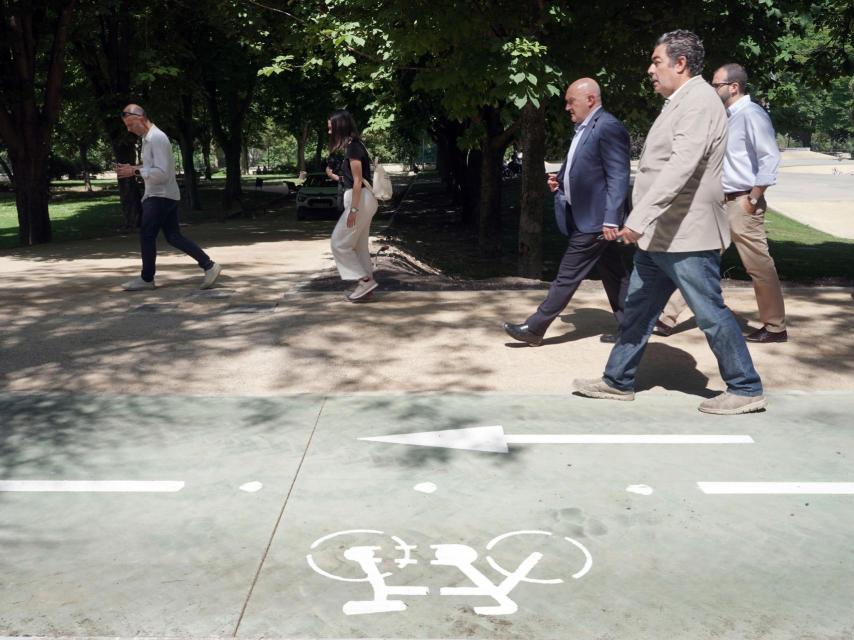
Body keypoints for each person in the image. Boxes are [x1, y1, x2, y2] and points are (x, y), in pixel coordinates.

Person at [574, 30, 767, 415]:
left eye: (656, 61)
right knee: (638, 310)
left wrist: (639, 217)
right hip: (663, 234)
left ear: (680, 64)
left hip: (687, 234)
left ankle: (745, 388)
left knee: (710, 313)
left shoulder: (699, 102)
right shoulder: (681, 100)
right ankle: (617, 380)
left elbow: (681, 167)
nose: (650, 70)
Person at [654, 63, 786, 343]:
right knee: (696, 259)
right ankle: (666, 318)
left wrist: (753, 198)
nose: (712, 89)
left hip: (742, 203)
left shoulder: (752, 114)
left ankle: (775, 327)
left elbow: (769, 158)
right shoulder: (727, 117)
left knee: (759, 266)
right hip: (718, 203)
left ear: (733, 87)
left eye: (716, 85)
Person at [503, 78, 630, 346]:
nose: (567, 107)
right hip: (587, 217)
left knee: (567, 276)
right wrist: (560, 182)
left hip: (596, 220)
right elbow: (583, 167)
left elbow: (618, 176)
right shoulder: (584, 128)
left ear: (590, 100)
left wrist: (611, 218)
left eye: (571, 101)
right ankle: (633, 328)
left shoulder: (608, 127)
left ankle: (535, 328)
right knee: (614, 273)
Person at [116, 104, 221, 291]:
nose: (129, 129)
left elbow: (162, 173)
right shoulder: (149, 139)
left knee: (147, 235)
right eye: (127, 126)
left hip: (160, 195)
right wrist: (134, 168)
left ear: (141, 119)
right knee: (173, 236)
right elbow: (153, 167)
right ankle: (209, 266)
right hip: (163, 194)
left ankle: (147, 279)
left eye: (131, 125)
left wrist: (134, 171)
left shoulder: (156, 138)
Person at [328, 110, 379, 302]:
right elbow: (353, 179)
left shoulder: (353, 148)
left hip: (360, 200)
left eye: (331, 127)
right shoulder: (355, 146)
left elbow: (357, 181)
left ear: (339, 127)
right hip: (363, 199)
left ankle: (364, 280)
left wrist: (353, 210)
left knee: (338, 243)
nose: (329, 131)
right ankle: (367, 289)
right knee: (359, 247)